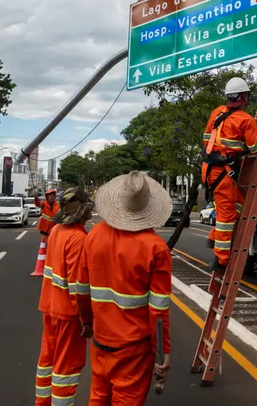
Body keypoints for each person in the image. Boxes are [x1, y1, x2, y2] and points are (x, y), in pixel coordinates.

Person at [75, 171, 173, 405]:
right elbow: (159, 310)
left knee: (98, 397)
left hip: (100, 341)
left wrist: (87, 322)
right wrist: (162, 351)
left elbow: (82, 290)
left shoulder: (94, 235)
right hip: (134, 350)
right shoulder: (156, 248)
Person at [35, 188, 95, 406]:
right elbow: (78, 288)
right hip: (68, 315)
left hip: (50, 306)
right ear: (82, 211)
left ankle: (42, 402)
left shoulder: (57, 230)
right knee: (66, 367)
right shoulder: (78, 238)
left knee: (47, 361)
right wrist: (86, 320)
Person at [201, 77, 257, 272]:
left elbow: (207, 140)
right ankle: (221, 261)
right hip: (224, 174)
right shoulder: (246, 120)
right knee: (226, 218)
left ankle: (213, 237)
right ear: (244, 97)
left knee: (238, 206)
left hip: (211, 169)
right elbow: (255, 148)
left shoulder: (217, 113)